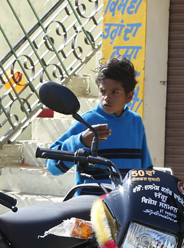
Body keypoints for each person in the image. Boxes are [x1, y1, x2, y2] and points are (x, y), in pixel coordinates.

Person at [46, 56, 151, 186]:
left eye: (115, 92)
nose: (107, 97)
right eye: (103, 91)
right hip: (93, 197)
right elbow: (52, 165)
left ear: (129, 96)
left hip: (128, 198)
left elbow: (146, 169)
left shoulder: (136, 122)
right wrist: (81, 140)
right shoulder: (87, 121)